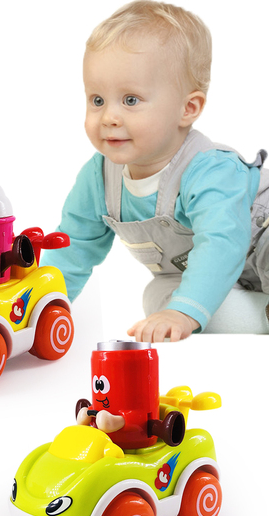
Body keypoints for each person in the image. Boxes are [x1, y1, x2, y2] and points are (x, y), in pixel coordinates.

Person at [44, 1, 269, 342]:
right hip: (214, 277)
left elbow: (221, 242)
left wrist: (184, 311)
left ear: (187, 108)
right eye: (97, 100)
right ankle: (259, 313)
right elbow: (73, 246)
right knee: (157, 300)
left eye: (130, 100)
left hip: (256, 244)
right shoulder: (99, 177)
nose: (109, 117)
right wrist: (42, 306)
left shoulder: (209, 169)